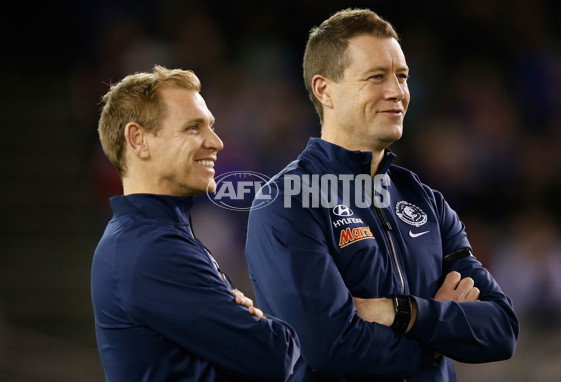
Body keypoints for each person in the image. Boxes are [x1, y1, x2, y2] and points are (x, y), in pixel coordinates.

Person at [244, 8, 518, 381]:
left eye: (401, 76)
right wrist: (440, 337)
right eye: (376, 77)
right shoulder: (287, 201)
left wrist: (400, 312)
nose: (397, 92)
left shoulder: (425, 200)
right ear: (324, 90)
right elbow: (332, 348)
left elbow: (501, 330)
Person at [91, 65, 300, 381]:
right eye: (193, 127)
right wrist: (265, 327)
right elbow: (274, 359)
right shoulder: (151, 250)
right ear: (138, 139)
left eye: (210, 126)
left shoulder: (155, 236)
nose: (216, 142)